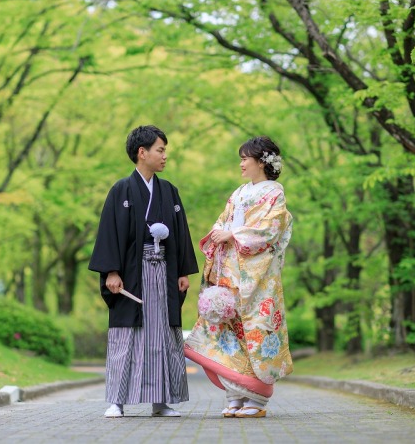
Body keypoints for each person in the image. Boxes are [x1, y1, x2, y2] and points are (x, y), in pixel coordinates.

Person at [89, 125, 199, 418]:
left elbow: (180, 234)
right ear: (142, 153)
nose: (164, 156)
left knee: (161, 334)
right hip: (132, 275)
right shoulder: (121, 190)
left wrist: (183, 271)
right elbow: (110, 234)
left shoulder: (169, 191)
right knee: (127, 335)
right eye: (160, 150)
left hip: (163, 271)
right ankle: (117, 400)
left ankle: (161, 401)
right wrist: (111, 271)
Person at [184, 136, 293, 419]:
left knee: (255, 331)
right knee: (229, 331)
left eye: (246, 158)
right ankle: (235, 395)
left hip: (257, 280)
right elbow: (222, 221)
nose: (242, 163)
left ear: (262, 161)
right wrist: (220, 232)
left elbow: (270, 230)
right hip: (231, 274)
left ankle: (256, 398)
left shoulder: (275, 194)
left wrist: (232, 234)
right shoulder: (239, 192)